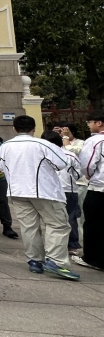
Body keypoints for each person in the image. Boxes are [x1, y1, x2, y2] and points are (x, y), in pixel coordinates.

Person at [0, 115, 79, 280]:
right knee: (58, 225)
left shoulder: (5, 146)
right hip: (44, 191)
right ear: (34, 128)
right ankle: (56, 261)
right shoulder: (43, 144)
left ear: (14, 128)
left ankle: (34, 260)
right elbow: (61, 163)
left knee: (29, 226)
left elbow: (0, 166)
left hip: (17, 191)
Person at [42, 131, 83, 260]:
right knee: (70, 218)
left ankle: (52, 246)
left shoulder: (42, 154)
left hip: (49, 191)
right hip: (68, 189)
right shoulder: (69, 155)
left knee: (51, 219)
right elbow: (78, 173)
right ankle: (72, 246)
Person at [78, 110, 104, 270]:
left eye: (90, 122)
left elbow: (87, 165)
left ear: (99, 123)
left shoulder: (96, 141)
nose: (88, 125)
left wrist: (88, 175)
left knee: (94, 224)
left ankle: (93, 259)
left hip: (99, 188)